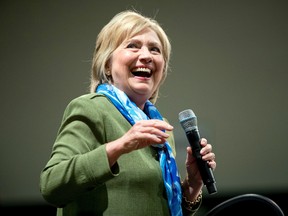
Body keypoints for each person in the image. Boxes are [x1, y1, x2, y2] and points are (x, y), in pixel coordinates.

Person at [39, 9, 217, 216]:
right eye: (132, 46)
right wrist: (121, 146)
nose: (146, 56)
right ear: (107, 64)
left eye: (155, 50)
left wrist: (193, 185)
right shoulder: (92, 108)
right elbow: (51, 185)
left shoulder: (160, 128)